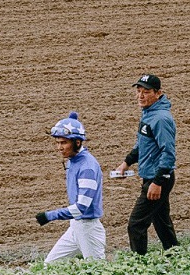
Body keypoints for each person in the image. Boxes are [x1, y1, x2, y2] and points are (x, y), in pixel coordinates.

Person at [113, 74, 180, 255]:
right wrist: (126, 163)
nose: (140, 96)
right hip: (154, 177)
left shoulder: (160, 119)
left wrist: (157, 182)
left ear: (158, 93)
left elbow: (168, 153)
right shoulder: (149, 113)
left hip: (158, 178)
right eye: (139, 91)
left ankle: (139, 265)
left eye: (146, 92)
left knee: (136, 224)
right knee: (162, 222)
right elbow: (142, 146)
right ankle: (177, 256)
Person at [35, 112, 106, 263]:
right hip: (76, 225)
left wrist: (49, 216)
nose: (59, 147)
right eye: (57, 142)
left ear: (78, 142)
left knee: (99, 273)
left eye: (63, 143)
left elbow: (81, 207)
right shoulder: (73, 160)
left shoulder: (87, 167)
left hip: (89, 230)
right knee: (49, 265)